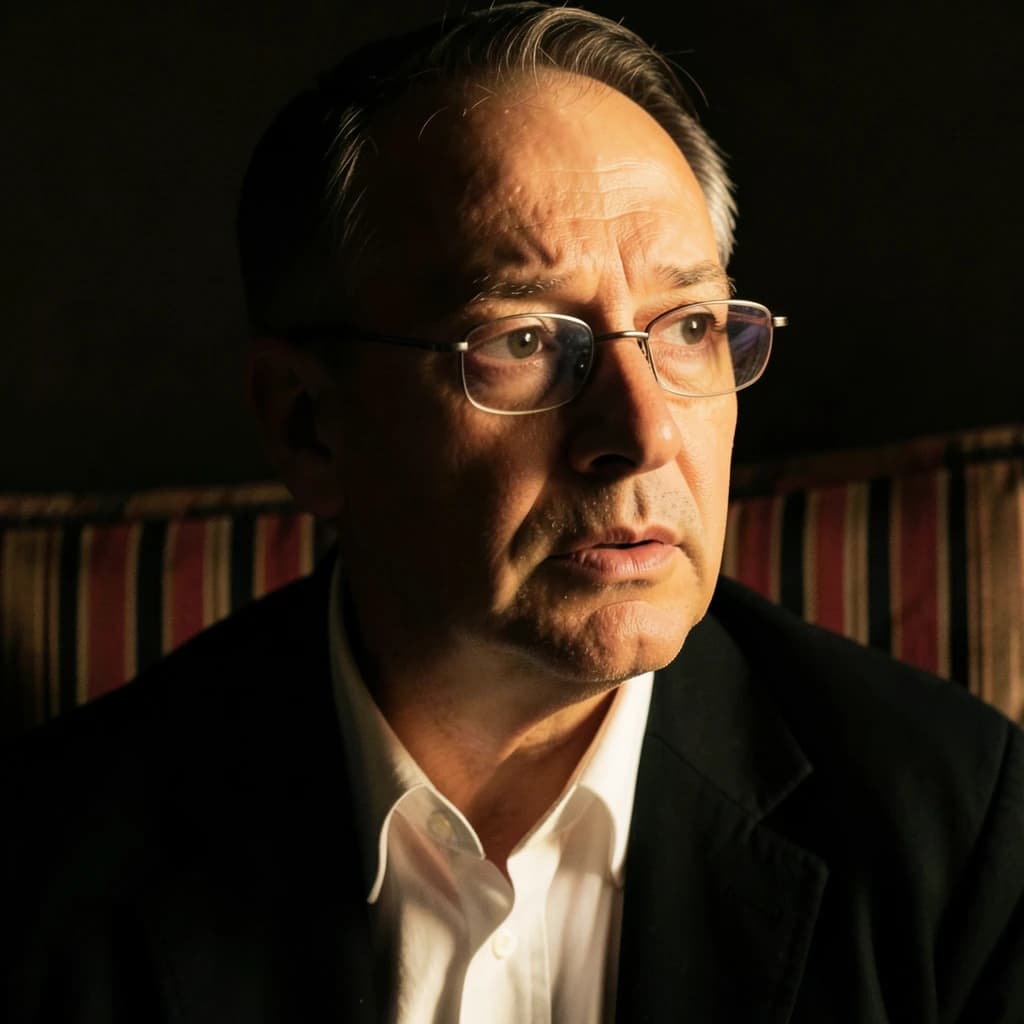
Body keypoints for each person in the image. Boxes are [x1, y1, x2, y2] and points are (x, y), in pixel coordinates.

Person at [4, 4, 1022, 1021]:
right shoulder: (56, 859)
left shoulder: (955, 831)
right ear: (311, 426)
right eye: (525, 342)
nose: (644, 432)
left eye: (690, 326)